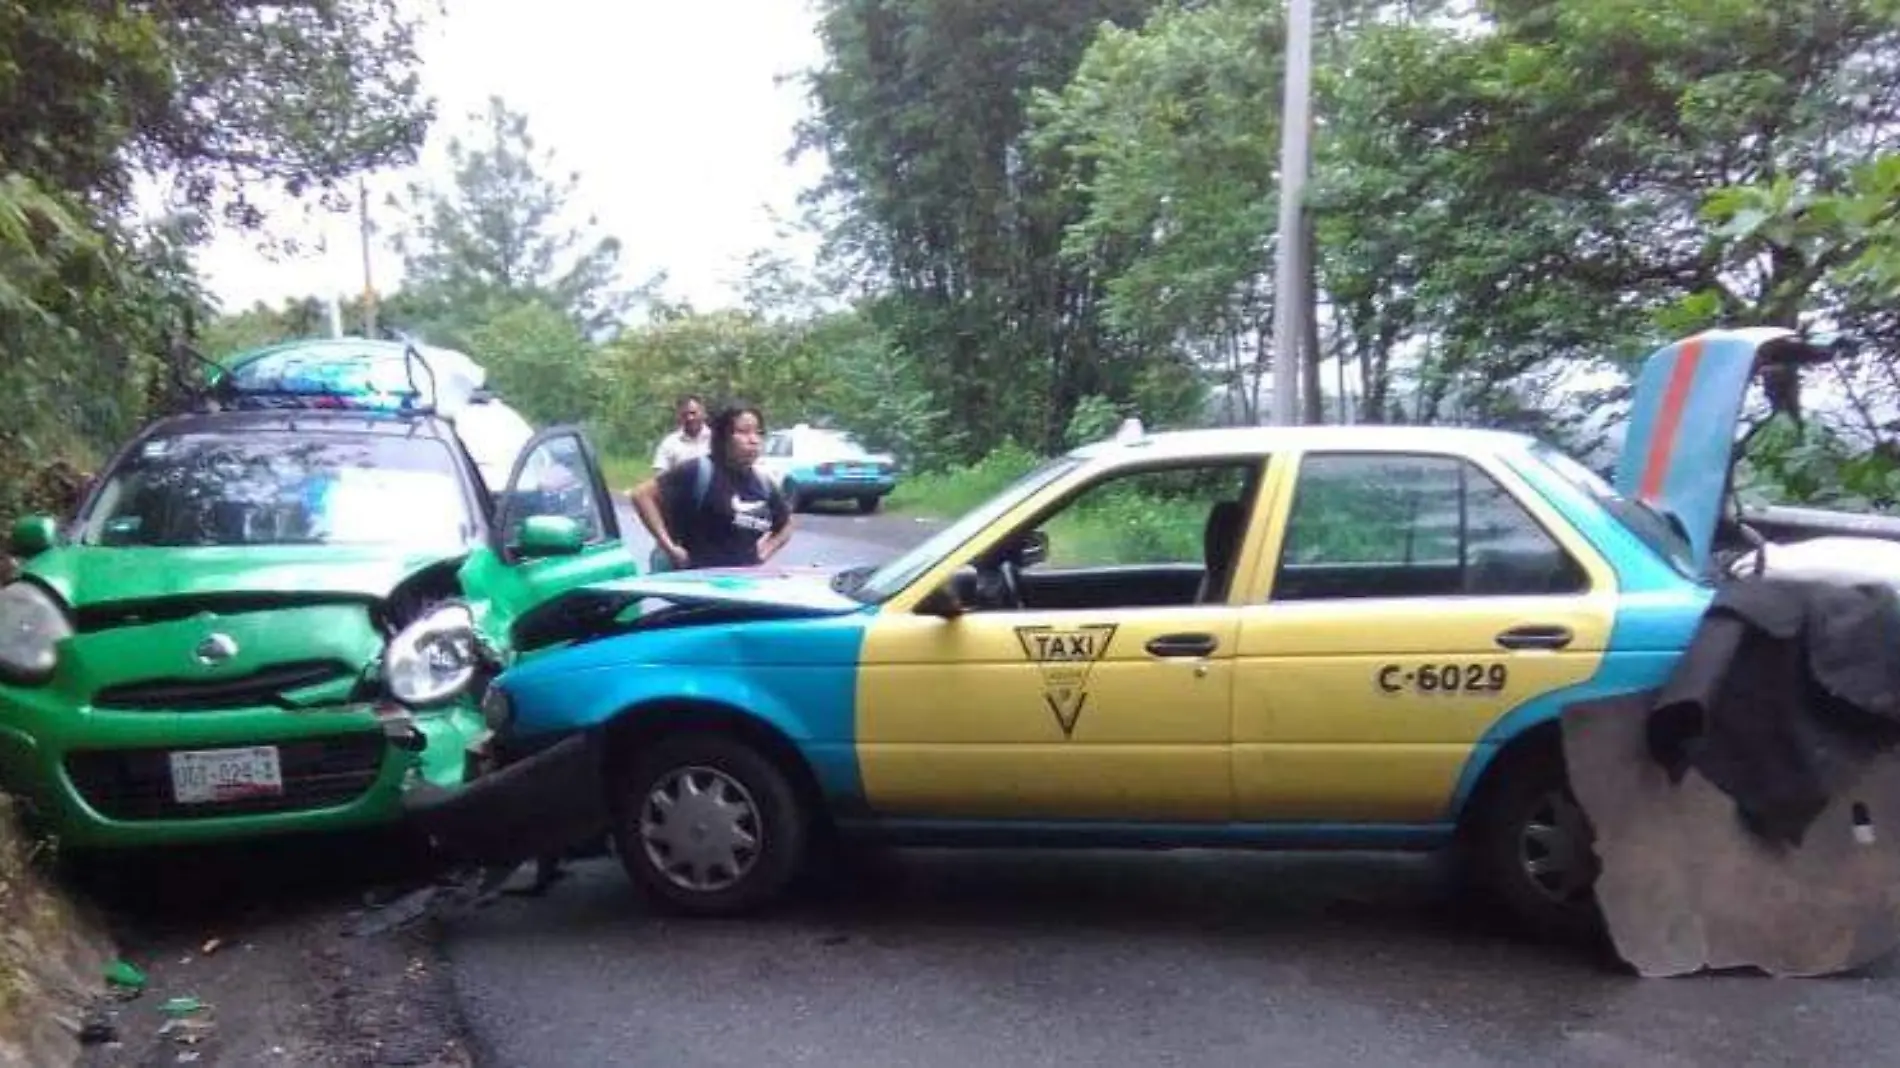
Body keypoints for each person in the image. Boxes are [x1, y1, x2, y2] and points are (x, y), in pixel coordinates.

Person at [631, 402, 793, 570]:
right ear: (723, 438)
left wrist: (764, 553)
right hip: (694, 582)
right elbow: (641, 495)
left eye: (758, 433)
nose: (753, 440)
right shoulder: (698, 471)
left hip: (742, 584)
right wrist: (669, 547)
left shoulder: (763, 485)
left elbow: (786, 524)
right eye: (743, 432)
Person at [651, 394, 711, 472]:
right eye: (684, 414)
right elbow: (660, 476)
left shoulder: (717, 440)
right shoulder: (669, 443)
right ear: (678, 416)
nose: (690, 418)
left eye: (693, 413)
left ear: (703, 413)